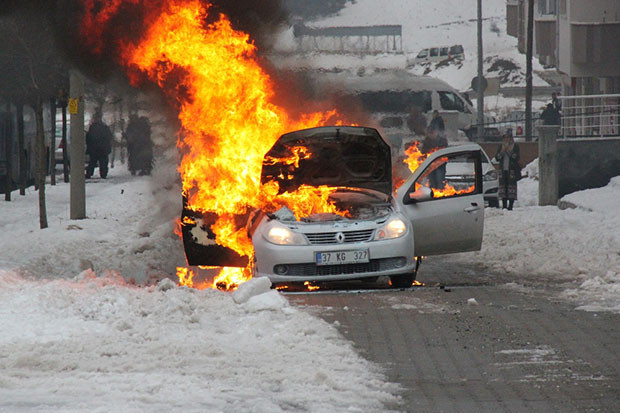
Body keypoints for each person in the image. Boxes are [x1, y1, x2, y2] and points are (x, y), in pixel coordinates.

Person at [494, 133, 520, 210]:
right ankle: (504, 204)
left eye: (508, 137)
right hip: (502, 169)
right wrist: (502, 151)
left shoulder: (515, 146)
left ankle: (510, 205)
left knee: (511, 186)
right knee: (503, 186)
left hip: (511, 169)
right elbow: (497, 158)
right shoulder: (501, 146)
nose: (506, 139)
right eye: (505, 138)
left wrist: (509, 151)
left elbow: (516, 157)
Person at [85, 108, 113, 179]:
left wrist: (89, 146)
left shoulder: (93, 127)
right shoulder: (104, 127)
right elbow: (109, 137)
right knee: (103, 162)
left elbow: (88, 137)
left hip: (94, 148)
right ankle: (103, 174)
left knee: (92, 162)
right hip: (103, 148)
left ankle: (89, 174)